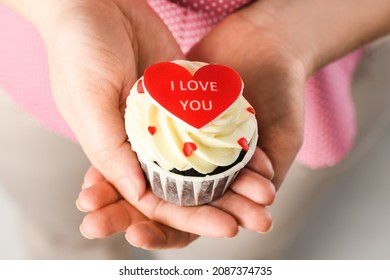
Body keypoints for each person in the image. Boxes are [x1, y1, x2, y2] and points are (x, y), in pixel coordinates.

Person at [0, 0, 389, 257]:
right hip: (38, 46)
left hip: (318, 51)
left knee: (229, 257)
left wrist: (291, 29)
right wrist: (69, 6)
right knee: (62, 234)